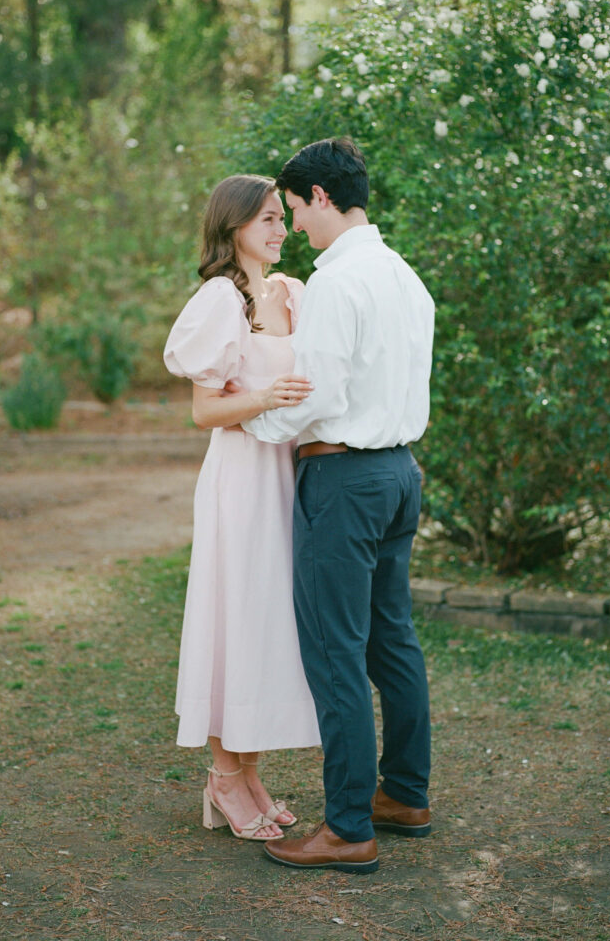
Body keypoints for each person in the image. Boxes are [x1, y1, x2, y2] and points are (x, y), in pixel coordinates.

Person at [242, 137, 436, 874]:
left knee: (335, 654)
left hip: (346, 481)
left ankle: (350, 826)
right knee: (392, 641)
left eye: (294, 209)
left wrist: (252, 421)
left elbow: (313, 395)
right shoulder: (404, 277)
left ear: (320, 197)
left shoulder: (336, 283)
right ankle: (405, 796)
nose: (293, 226)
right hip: (398, 475)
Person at [163, 174, 321, 843]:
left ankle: (248, 772)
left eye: (283, 217)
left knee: (269, 624)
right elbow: (204, 412)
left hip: (288, 479)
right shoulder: (220, 300)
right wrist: (266, 398)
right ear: (232, 227)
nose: (280, 229)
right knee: (237, 617)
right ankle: (224, 777)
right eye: (265, 219)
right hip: (240, 483)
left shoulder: (291, 293)